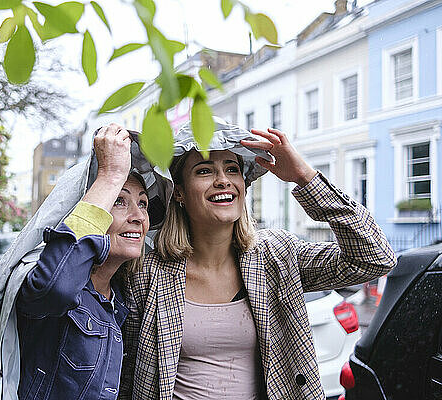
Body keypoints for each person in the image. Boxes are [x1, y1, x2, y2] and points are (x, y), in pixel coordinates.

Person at [119, 119, 396, 400]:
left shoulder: (277, 255)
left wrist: (304, 177)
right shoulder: (147, 273)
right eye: (204, 171)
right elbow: (125, 375)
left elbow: (375, 259)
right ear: (178, 191)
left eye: (232, 169)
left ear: (243, 185)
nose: (222, 180)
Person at [0, 124, 172, 400]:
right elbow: (56, 287)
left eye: (144, 204)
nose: (138, 216)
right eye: (119, 201)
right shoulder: (52, 284)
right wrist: (110, 177)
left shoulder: (120, 300)